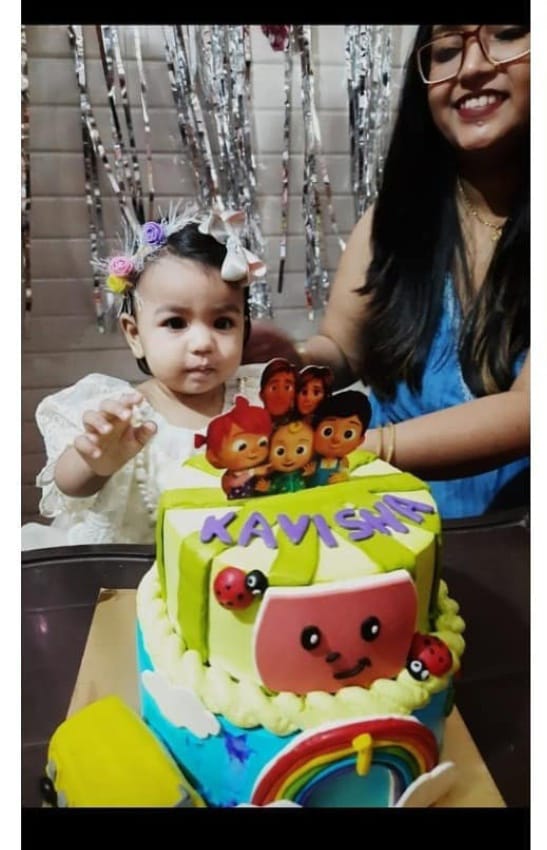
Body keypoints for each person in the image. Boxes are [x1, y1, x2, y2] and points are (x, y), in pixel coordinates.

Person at [244, 23, 530, 520]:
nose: (472, 67)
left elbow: (530, 412)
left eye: (507, 33)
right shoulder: (393, 220)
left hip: (513, 530)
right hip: (381, 515)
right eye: (447, 51)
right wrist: (296, 362)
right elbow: (342, 349)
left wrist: (354, 448)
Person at [22, 206, 267, 547]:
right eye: (176, 323)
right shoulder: (122, 414)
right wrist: (94, 462)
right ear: (135, 334)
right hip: (132, 569)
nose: (202, 343)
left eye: (223, 323)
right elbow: (70, 487)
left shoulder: (260, 397)